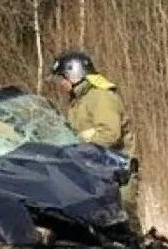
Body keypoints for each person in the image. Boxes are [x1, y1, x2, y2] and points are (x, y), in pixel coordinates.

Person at [50, 50, 139, 231]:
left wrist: (77, 142)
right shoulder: (79, 101)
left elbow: (109, 133)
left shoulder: (101, 96)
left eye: (63, 78)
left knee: (124, 228)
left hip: (117, 176)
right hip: (97, 174)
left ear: (75, 73)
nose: (61, 84)